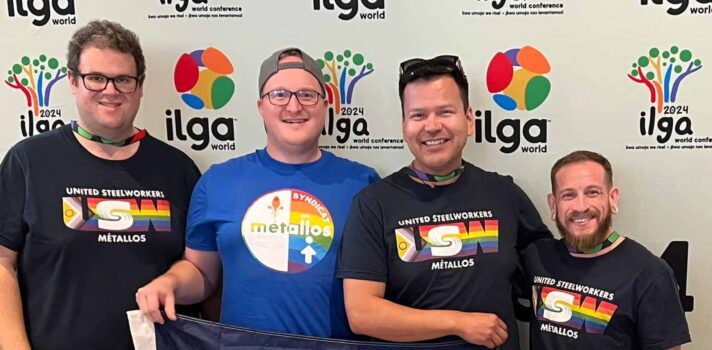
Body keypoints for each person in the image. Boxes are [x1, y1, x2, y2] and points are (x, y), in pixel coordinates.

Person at [136, 48, 379, 339]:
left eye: (307, 94)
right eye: (279, 94)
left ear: (325, 104)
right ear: (260, 106)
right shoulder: (218, 182)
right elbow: (201, 274)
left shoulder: (362, 183)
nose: (293, 107)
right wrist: (170, 283)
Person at [0, 20, 200, 350]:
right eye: (96, 78)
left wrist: (172, 279)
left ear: (139, 86)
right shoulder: (29, 161)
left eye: (123, 79)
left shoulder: (178, 169)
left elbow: (198, 268)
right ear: (73, 81)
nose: (110, 90)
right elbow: (3, 262)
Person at [336, 55, 552, 349]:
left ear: (469, 120)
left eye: (445, 112)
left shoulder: (504, 194)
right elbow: (362, 314)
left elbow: (553, 279)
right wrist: (458, 323)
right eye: (418, 115)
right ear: (404, 126)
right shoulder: (374, 204)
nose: (432, 126)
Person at [522, 150, 691, 349]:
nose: (581, 206)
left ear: (612, 198)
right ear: (553, 204)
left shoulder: (650, 273)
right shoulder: (537, 257)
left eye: (592, 192)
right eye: (568, 195)